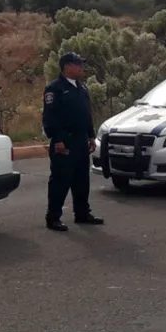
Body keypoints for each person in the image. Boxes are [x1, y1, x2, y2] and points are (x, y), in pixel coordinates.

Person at [42, 52, 104, 232]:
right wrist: (58, 139)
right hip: (64, 141)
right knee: (60, 181)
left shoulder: (81, 88)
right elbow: (50, 117)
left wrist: (91, 135)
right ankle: (53, 217)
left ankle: (82, 213)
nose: (81, 68)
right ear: (67, 67)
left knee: (82, 180)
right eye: (78, 65)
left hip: (80, 141)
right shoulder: (55, 89)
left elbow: (86, 114)